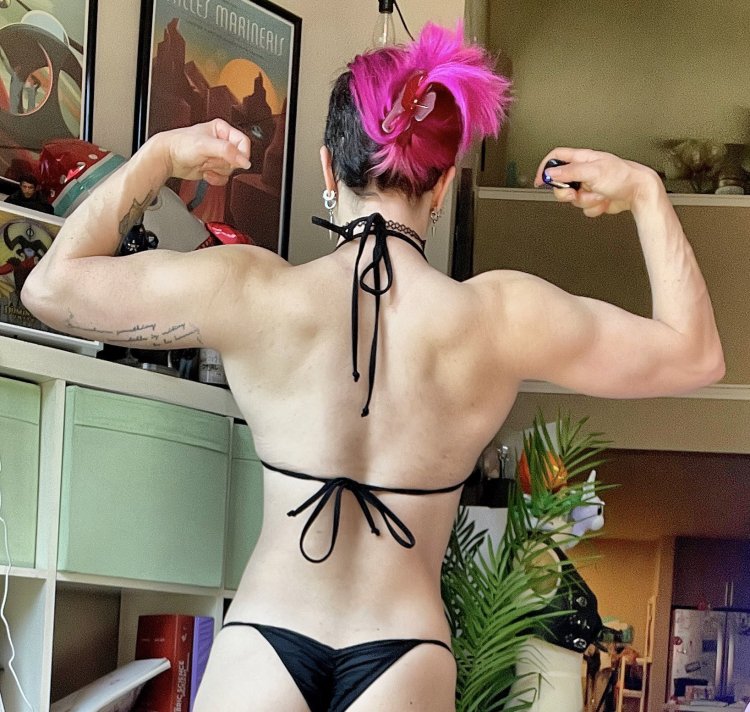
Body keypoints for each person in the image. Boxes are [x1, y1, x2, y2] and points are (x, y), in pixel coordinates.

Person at [20, 22, 724, 712]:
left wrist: (158, 157)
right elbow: (696, 355)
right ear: (443, 185)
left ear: (329, 168)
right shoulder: (503, 317)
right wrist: (645, 193)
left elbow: (49, 289)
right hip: (405, 649)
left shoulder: (248, 287)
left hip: (268, 635)